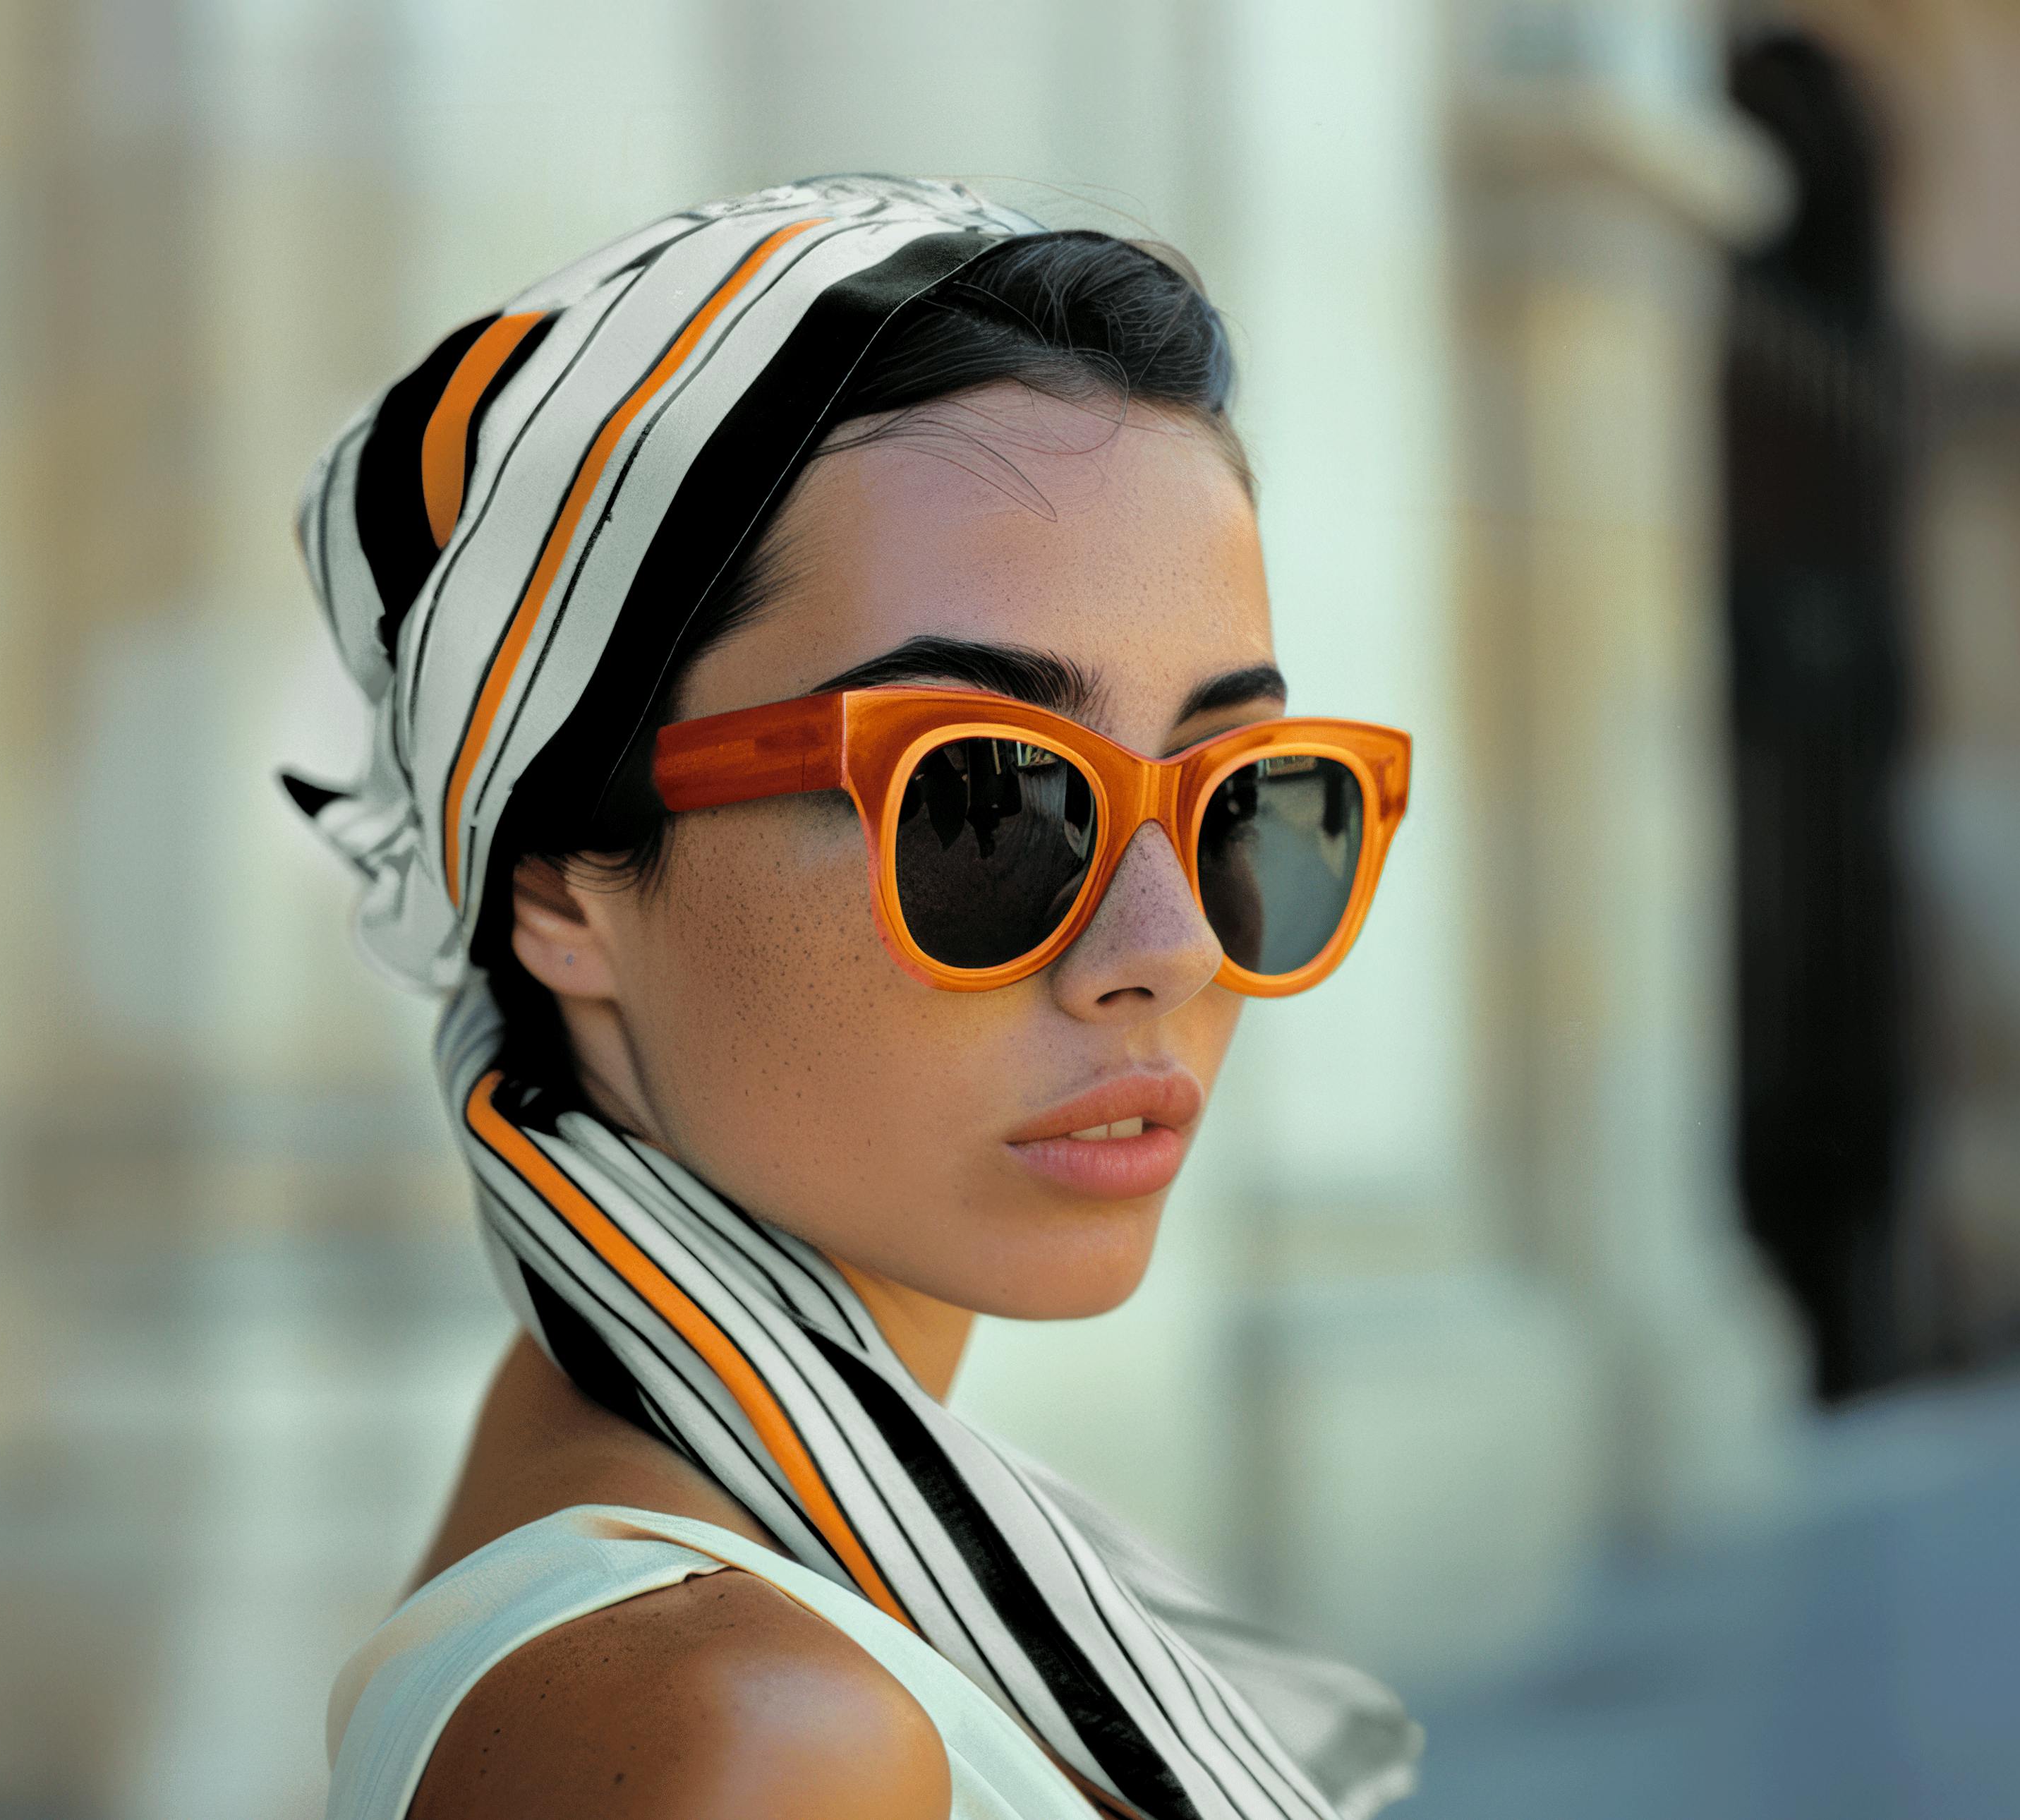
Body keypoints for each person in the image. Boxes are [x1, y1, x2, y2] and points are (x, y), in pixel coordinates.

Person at [285, 175, 1422, 1820]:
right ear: (556, 882)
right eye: (991, 799)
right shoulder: (760, 1736)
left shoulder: (697, 1514)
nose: (1169, 945)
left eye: (1243, 791)